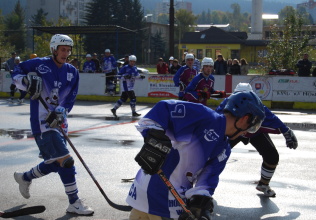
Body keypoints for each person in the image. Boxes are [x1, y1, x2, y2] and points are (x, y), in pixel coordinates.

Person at [126, 91, 266, 220]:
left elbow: (205, 183)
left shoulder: (224, 149)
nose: (247, 132)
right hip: (148, 198)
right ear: (244, 119)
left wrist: (200, 203)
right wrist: (153, 136)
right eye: (252, 126)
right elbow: (163, 108)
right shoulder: (203, 115)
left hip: (161, 203)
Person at [11, 34, 94, 216]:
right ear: (54, 50)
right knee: (66, 160)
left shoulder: (73, 71)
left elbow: (71, 97)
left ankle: (24, 177)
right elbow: (16, 70)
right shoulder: (39, 64)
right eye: (62, 49)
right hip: (42, 123)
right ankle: (74, 202)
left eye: (68, 50)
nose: (66, 53)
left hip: (60, 122)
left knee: (56, 164)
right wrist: (24, 82)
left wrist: (63, 111)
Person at [216, 83, 298, 197]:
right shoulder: (226, 104)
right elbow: (215, 121)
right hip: (233, 132)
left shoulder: (258, 107)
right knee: (213, 155)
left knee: (272, 156)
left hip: (254, 132)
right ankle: (202, 183)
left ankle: (264, 184)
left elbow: (271, 118)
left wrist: (286, 131)